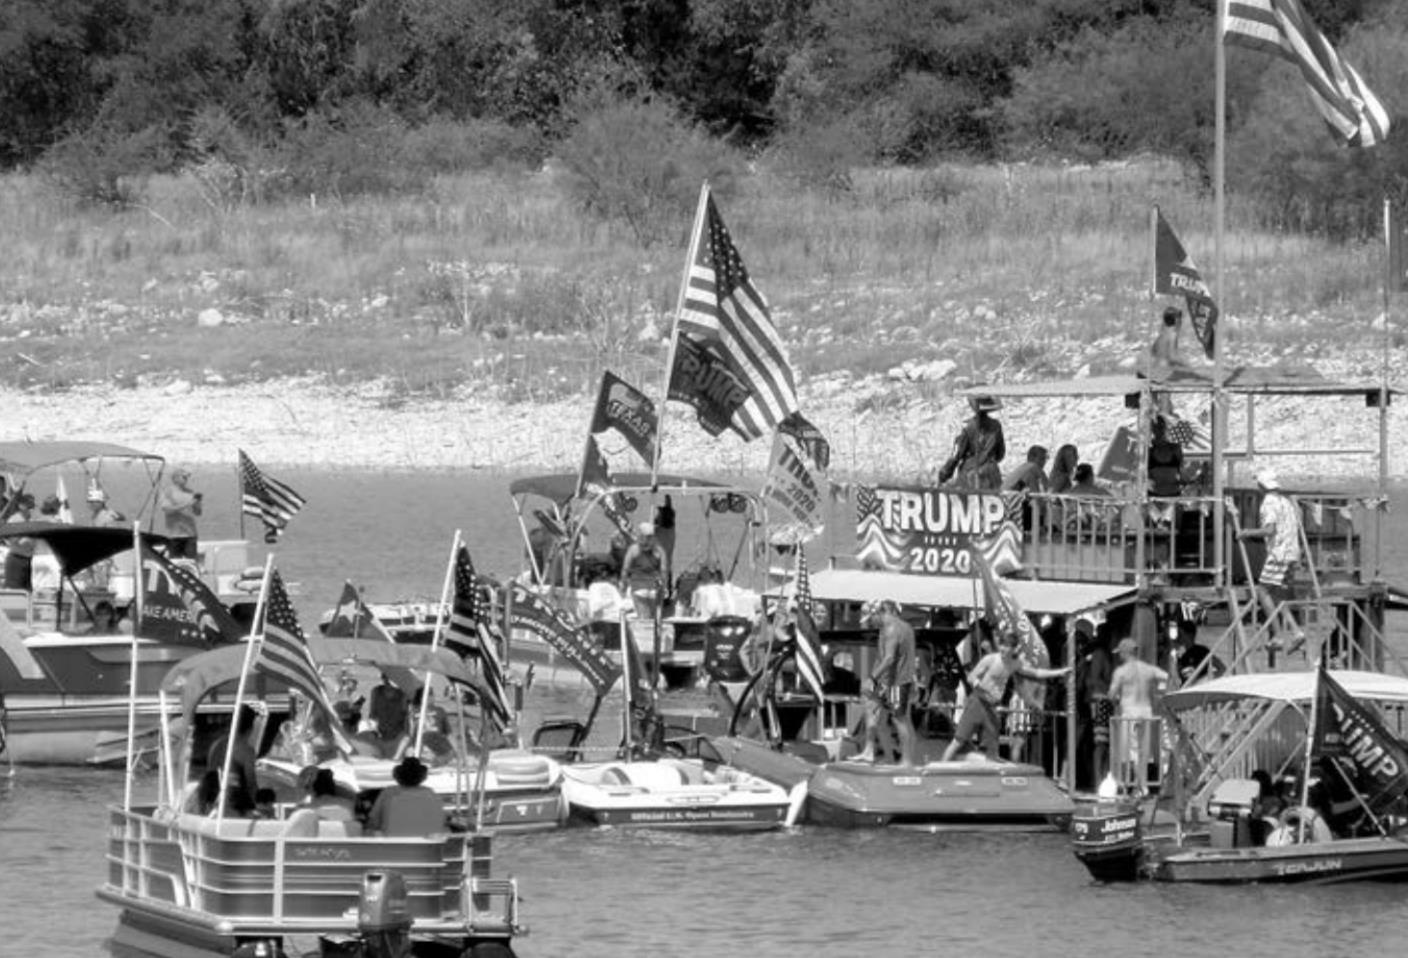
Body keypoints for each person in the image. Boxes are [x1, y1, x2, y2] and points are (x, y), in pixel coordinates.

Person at [941, 630, 1071, 762]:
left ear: (1014, 649)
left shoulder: (1014, 664)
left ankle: (985, 775)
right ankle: (939, 770)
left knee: (992, 749)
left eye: (1007, 646)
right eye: (1002, 645)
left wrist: (1059, 672)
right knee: (958, 741)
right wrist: (982, 688)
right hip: (978, 702)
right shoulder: (990, 659)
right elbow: (971, 677)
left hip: (992, 709)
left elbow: (1036, 673)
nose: (1003, 649)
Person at [1237, 469, 1306, 652]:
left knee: (1263, 591)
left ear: (1261, 486)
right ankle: (1296, 631)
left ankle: (1277, 635)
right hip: (1292, 553)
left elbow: (1269, 530)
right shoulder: (1286, 501)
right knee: (1277, 596)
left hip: (1279, 554)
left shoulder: (1269, 502)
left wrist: (1246, 532)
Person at [851, 600, 918, 766]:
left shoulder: (892, 629)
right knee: (869, 704)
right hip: (885, 680)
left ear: (878, 613)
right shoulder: (900, 626)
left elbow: (889, 658)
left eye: (870, 619)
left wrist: (871, 678)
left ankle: (907, 760)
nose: (870, 623)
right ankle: (869, 750)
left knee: (899, 719)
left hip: (897, 681)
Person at [1107, 637, 1168, 794]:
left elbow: (1112, 694)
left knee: (1131, 749)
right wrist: (1160, 692)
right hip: (1146, 710)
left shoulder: (1121, 672)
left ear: (1124, 653)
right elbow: (1166, 677)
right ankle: (1143, 784)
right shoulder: (1148, 669)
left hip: (1129, 711)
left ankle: (1138, 784)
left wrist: (1115, 699)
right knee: (1144, 750)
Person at [1074, 619, 1113, 790]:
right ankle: (1097, 781)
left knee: (1097, 743)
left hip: (1097, 700)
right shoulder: (1100, 653)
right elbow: (1094, 679)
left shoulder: (1096, 652)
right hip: (1100, 700)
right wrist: (1111, 690)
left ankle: (1097, 778)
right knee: (1100, 743)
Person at [937, 395, 1006, 490]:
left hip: (971, 475)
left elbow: (956, 456)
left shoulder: (968, 428)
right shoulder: (996, 426)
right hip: (992, 474)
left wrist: (943, 475)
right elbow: (1000, 454)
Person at [365, 756, 446, 837]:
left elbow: (373, 823)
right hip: (428, 847)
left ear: (397, 776)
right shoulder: (432, 795)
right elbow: (441, 822)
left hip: (393, 846)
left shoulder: (389, 793)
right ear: (422, 777)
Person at [206, 705, 261, 811]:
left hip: (216, 803)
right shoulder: (247, 751)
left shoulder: (217, 745)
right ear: (250, 728)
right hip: (237, 805)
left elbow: (210, 777)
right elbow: (251, 784)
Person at [618, 521, 670, 620]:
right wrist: (664, 586)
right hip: (655, 589)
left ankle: (644, 635)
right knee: (655, 620)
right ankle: (654, 635)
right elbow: (664, 571)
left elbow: (625, 570)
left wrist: (623, 587)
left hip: (638, 588)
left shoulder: (634, 549)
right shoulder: (659, 551)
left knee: (643, 619)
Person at [160, 467, 203, 560]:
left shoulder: (190, 492)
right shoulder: (168, 492)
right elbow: (167, 509)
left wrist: (197, 504)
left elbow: (198, 513)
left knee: (191, 562)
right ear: (175, 478)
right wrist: (187, 504)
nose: (186, 479)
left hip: (190, 534)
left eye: (187, 477)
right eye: (184, 477)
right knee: (175, 562)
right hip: (174, 535)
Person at [1169, 619, 1224, 687]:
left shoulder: (1202, 651)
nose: (1178, 637)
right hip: (1184, 690)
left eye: (1180, 634)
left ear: (1189, 635)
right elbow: (1174, 677)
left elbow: (1222, 668)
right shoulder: (1177, 654)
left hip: (1199, 690)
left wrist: (1206, 681)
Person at [3, 493, 36, 590]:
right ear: (21, 505)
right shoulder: (14, 520)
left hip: (29, 559)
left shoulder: (31, 520)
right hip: (16, 559)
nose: (31, 508)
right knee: (14, 591)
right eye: (28, 505)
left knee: (28, 592)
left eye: (32, 506)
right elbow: (12, 540)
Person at [653, 495, 676, 576]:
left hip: (659, 571)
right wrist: (668, 500)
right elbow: (670, 515)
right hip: (667, 569)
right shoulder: (670, 530)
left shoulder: (658, 531)